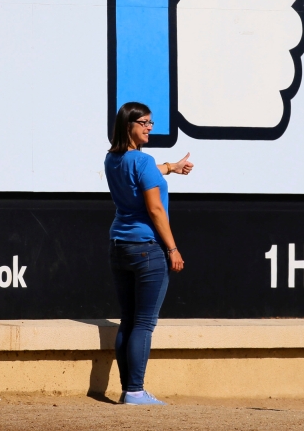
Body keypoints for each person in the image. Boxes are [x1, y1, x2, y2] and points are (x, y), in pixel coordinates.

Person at [104, 101, 193, 406]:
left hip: (120, 248)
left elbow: (142, 172)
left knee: (128, 321)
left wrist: (171, 167)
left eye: (151, 123)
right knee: (143, 323)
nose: (149, 128)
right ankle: (136, 391)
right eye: (143, 122)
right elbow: (155, 208)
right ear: (128, 124)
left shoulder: (112, 159)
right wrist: (173, 248)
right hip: (147, 250)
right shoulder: (142, 162)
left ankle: (129, 389)